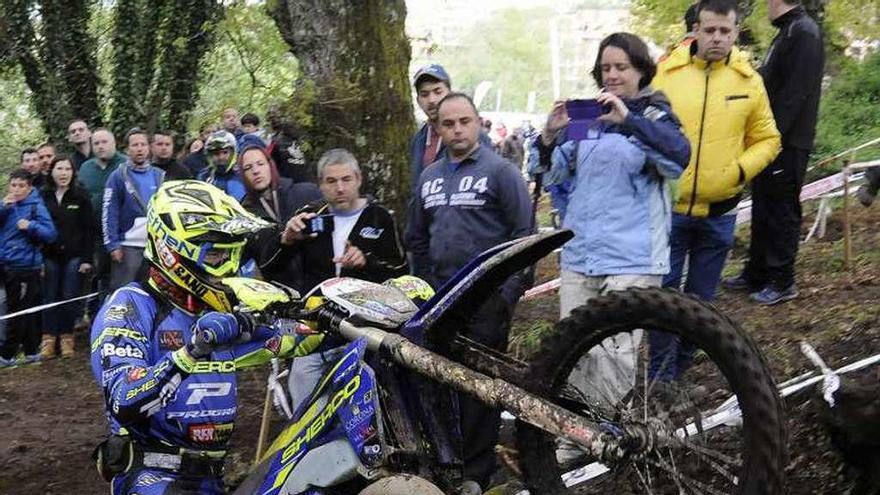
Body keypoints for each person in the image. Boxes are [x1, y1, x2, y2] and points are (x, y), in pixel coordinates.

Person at [89, 180, 323, 494]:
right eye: (215, 257)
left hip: (214, 478)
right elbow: (123, 400)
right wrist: (193, 350)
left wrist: (345, 310)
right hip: (152, 476)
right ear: (172, 250)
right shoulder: (129, 306)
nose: (228, 269)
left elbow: (296, 335)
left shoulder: (214, 311)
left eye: (233, 256)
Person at [539, 32, 691, 406]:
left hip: (633, 257)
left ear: (641, 70)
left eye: (621, 67)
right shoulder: (589, 116)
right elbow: (556, 175)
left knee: (614, 353)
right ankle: (571, 439)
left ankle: (603, 441)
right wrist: (549, 135)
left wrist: (630, 121)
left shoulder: (654, 114)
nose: (612, 74)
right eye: (605, 67)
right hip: (581, 253)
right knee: (573, 349)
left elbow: (678, 159)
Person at [648, 0, 781, 383]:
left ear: (736, 32)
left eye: (725, 31)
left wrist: (738, 171)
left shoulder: (748, 80)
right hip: (669, 209)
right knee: (663, 302)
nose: (717, 38)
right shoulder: (665, 75)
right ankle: (661, 381)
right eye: (710, 30)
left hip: (720, 213)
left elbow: (769, 140)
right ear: (695, 30)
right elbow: (639, 124)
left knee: (702, 305)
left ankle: (682, 370)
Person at [406, 93, 532, 490]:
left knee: (479, 387)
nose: (457, 129)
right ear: (438, 128)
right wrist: (422, 287)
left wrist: (508, 294)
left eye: (464, 121)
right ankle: (447, 464)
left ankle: (477, 472)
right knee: (440, 381)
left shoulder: (502, 172)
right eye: (448, 124)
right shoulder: (429, 177)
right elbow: (417, 237)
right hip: (441, 300)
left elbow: (525, 238)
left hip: (486, 299)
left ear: (478, 123)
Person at [724, 0, 825, 305]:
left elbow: (796, 92)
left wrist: (775, 137)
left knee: (782, 208)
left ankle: (783, 280)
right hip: (769, 139)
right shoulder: (787, 32)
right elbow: (768, 82)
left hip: (788, 140)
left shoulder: (804, 32)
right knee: (763, 205)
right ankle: (756, 272)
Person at [273, 148, 408, 294]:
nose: (340, 188)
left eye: (346, 179)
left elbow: (401, 273)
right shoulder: (308, 216)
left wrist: (366, 262)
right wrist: (286, 241)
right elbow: (276, 269)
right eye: (331, 181)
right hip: (315, 310)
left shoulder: (380, 217)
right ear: (321, 185)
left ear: (358, 179)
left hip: (366, 309)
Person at [238, 144, 321, 288]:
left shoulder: (304, 193)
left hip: (317, 286)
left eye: (260, 164)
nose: (256, 171)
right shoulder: (245, 215)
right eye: (248, 168)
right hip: (280, 293)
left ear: (271, 165)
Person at [0, 169, 57, 367]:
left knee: (21, 310)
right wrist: (3, 209)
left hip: (26, 266)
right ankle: (30, 352)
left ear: (29, 187)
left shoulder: (36, 207)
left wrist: (30, 226)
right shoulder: (5, 204)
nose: (16, 190)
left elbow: (50, 234)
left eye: (21, 186)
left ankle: (8, 355)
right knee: (15, 309)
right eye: (13, 185)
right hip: (6, 265)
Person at [40, 156, 94, 359]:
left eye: (67, 169)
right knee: (49, 296)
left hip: (75, 256)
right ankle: (48, 340)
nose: (63, 173)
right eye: (59, 168)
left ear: (73, 172)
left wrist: (87, 259)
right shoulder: (42, 195)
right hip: (49, 255)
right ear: (51, 171)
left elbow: (89, 230)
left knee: (69, 296)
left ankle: (66, 338)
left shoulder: (81, 196)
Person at [103, 128, 165, 291]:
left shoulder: (160, 176)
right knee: (123, 292)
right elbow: (109, 212)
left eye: (143, 144)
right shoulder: (118, 176)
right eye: (135, 145)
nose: (139, 148)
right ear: (127, 149)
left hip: (155, 247)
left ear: (149, 147)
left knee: (153, 292)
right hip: (127, 246)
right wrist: (113, 245)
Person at [80, 128, 128, 318]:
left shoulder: (125, 164)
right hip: (96, 236)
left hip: (123, 235)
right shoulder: (86, 168)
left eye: (104, 142)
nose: (100, 146)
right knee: (101, 279)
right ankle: (100, 321)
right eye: (96, 143)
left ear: (114, 143)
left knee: (123, 281)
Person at [266, 102, 313, 183]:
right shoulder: (304, 142)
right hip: (304, 184)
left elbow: (268, 164)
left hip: (288, 187)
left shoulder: (276, 143)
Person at [198, 130, 246, 202]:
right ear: (210, 155)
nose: (221, 157)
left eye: (225, 152)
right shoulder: (204, 176)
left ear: (233, 152)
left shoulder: (243, 174)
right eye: (216, 154)